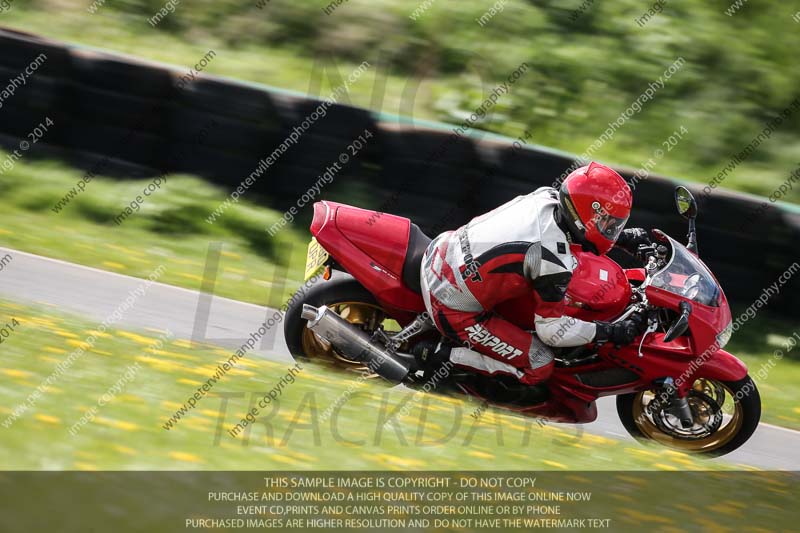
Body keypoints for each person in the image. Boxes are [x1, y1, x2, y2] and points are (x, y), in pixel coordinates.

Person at [416, 162, 649, 385]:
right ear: (588, 214)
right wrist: (610, 331)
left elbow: (574, 234)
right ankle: (444, 356)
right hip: (451, 304)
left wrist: (623, 238)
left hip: (443, 250)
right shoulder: (551, 260)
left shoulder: (546, 196)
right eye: (608, 223)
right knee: (540, 362)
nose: (612, 230)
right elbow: (551, 331)